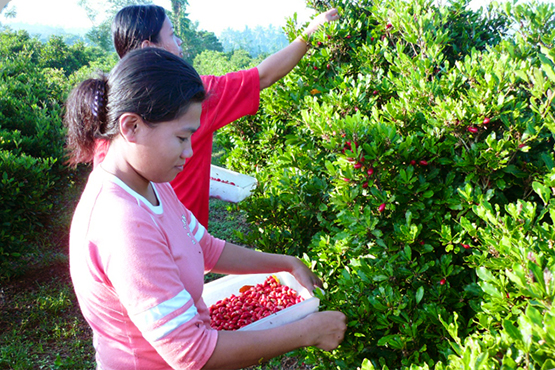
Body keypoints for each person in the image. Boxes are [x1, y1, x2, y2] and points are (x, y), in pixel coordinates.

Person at [65, 47, 346, 370]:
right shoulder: (123, 223)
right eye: (182, 138)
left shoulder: (150, 182)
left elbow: (206, 249)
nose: (189, 152)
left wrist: (285, 263)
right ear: (131, 127)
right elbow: (193, 353)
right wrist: (307, 331)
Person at [93, 4, 340, 229]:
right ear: (150, 48)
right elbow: (263, 76)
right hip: (181, 243)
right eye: (171, 35)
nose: (179, 43)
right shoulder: (192, 95)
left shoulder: (107, 102)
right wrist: (309, 34)